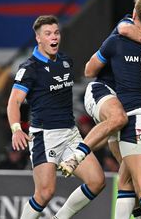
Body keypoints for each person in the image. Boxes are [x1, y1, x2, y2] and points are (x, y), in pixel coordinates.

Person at [59, 0, 141, 219]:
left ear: (136, 13)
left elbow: (89, 70)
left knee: (136, 184)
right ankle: (77, 157)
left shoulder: (122, 41)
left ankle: (77, 156)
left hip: (136, 117)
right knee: (129, 179)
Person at [7, 15, 105, 219]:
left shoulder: (66, 62)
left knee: (97, 181)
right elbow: (14, 102)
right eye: (48, 34)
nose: (54, 37)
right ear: (38, 38)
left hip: (70, 133)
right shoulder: (29, 68)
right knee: (45, 193)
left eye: (56, 32)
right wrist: (16, 129)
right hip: (45, 136)